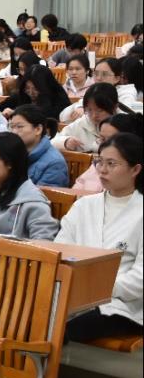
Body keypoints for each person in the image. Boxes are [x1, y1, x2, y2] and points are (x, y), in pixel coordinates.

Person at [57, 133, 142, 342]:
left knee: (63, 330)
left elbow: (140, 277)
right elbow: (60, 250)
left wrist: (97, 289)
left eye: (111, 164)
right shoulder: (84, 205)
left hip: (123, 303)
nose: (102, 170)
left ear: (135, 169)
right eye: (99, 162)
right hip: (74, 292)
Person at [73, 113, 144, 192]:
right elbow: (78, 187)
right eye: (102, 139)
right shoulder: (99, 163)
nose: (105, 145)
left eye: (112, 139)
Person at [52, 83, 129, 154]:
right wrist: (65, 142)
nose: (94, 116)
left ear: (115, 107)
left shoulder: (125, 124)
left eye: (100, 110)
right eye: (89, 110)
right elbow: (53, 141)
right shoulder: (82, 123)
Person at [8, 104, 69, 187]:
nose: (14, 132)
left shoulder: (55, 163)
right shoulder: (11, 152)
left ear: (38, 129)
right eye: (12, 127)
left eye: (20, 126)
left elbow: (43, 194)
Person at [2, 65, 70, 121]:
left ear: (46, 87)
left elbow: (46, 116)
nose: (31, 92)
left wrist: (17, 113)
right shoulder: (21, 95)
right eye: (27, 88)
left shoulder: (59, 99)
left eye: (35, 89)